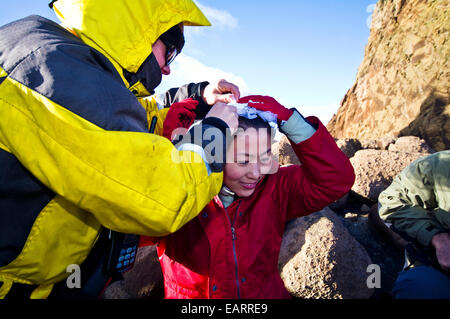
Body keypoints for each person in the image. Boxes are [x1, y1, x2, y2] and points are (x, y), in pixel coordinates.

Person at [0, 0, 241, 299]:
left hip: (57, 278)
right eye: (171, 49)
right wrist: (215, 132)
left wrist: (198, 97)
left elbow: (136, 119)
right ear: (137, 21)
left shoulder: (52, 54)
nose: (167, 68)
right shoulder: (56, 77)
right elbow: (164, 196)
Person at [141, 95, 356, 298]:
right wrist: (170, 155)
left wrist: (291, 121)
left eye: (264, 158)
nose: (256, 173)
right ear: (213, 154)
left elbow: (337, 180)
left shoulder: (276, 188)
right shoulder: (179, 194)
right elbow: (125, 226)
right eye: (243, 161)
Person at [378, 151, 450, 299]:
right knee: (422, 285)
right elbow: (391, 202)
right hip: (438, 274)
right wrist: (438, 238)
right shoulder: (439, 165)